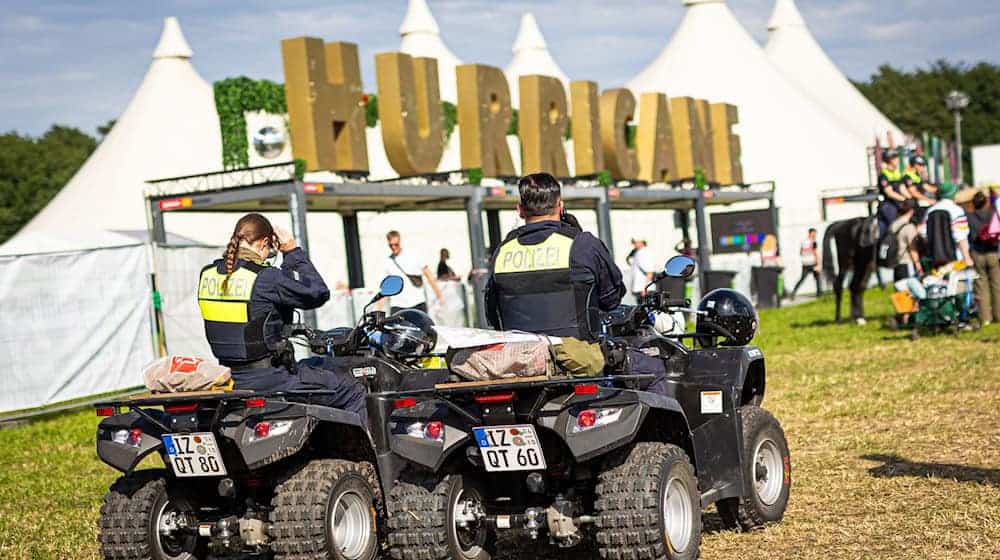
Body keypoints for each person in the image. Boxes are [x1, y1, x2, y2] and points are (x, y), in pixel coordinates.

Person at [197, 213, 368, 421]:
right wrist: (291, 251)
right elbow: (317, 292)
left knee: (314, 367)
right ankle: (362, 453)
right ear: (265, 242)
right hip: (271, 379)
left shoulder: (208, 274)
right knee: (352, 390)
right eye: (270, 249)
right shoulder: (265, 277)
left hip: (231, 377)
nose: (269, 254)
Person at [383, 230, 444, 314]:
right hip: (397, 306)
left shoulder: (413, 256)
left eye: (396, 244)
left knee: (423, 327)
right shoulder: (388, 262)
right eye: (391, 245)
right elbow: (385, 288)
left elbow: (429, 275)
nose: (393, 247)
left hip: (417, 303)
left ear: (400, 241)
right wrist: (379, 309)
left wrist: (439, 295)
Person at [967, 191, 1000, 324]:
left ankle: (985, 317)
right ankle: (998, 315)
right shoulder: (992, 214)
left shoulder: (969, 216)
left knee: (981, 286)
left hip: (977, 252)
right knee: (997, 285)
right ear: (986, 202)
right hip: (992, 251)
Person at [877, 151, 910, 236]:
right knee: (894, 227)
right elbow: (889, 193)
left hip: (898, 203)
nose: (898, 160)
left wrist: (910, 198)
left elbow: (902, 188)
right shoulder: (884, 175)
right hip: (888, 205)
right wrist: (904, 199)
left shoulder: (897, 173)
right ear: (890, 160)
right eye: (895, 158)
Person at [890, 200, 923, 282]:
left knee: (899, 292)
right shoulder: (909, 227)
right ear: (911, 210)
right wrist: (918, 264)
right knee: (908, 292)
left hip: (896, 263)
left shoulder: (894, 224)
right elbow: (912, 248)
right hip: (907, 263)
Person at [790, 228, 821, 299]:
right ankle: (819, 294)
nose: (815, 235)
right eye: (814, 233)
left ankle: (793, 293)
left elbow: (800, 252)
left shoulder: (803, 242)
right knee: (817, 279)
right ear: (810, 233)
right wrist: (818, 264)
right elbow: (815, 253)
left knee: (803, 279)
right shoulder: (813, 242)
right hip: (812, 263)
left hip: (805, 263)